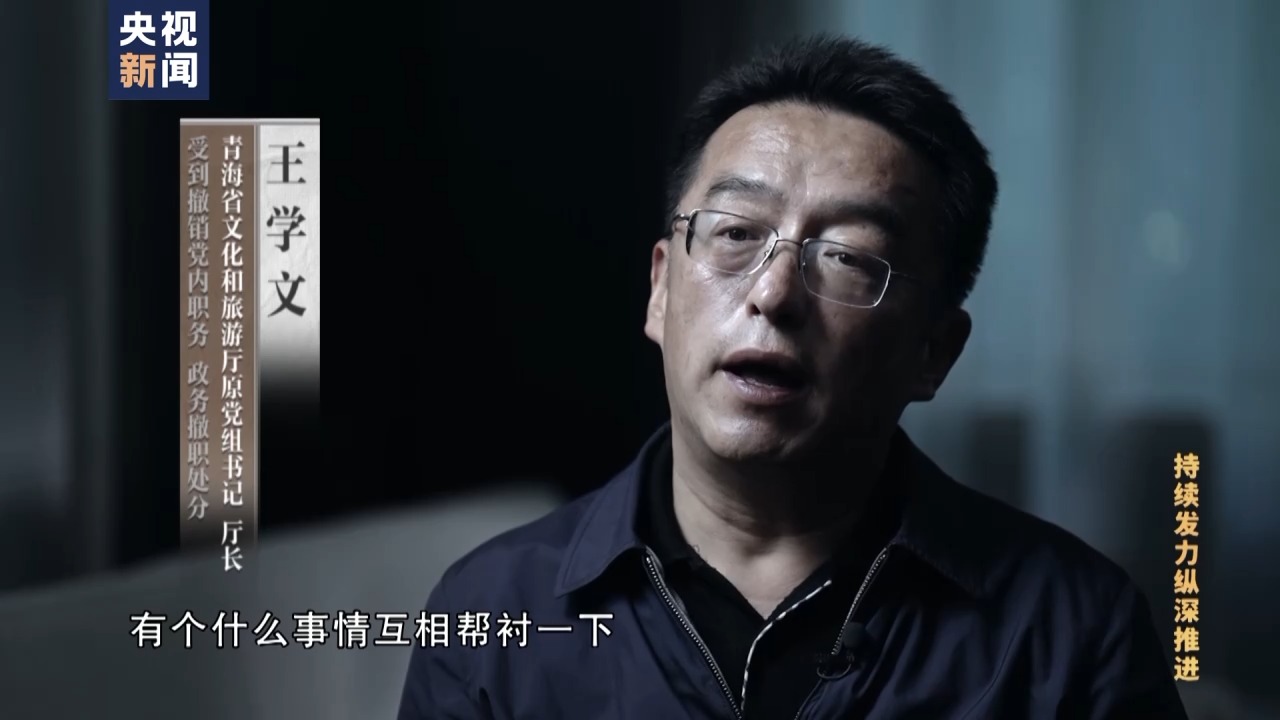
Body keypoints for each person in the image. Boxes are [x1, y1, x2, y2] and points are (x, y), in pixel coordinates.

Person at [399, 34, 1188, 719]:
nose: (773, 294)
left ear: (934, 352)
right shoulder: (492, 612)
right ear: (660, 289)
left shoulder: (1076, 631)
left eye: (847, 257)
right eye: (736, 233)